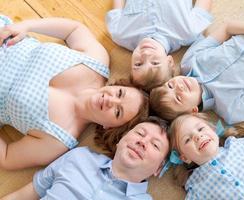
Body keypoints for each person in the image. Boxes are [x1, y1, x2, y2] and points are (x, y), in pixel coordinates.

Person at [0, 15, 149, 170]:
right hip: (4, 34)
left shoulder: (57, 140)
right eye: (120, 93)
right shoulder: (96, 61)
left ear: (110, 127)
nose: (112, 100)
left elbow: (7, 157)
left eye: (118, 112)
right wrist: (27, 25)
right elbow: (73, 30)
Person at [150, 0, 244, 124]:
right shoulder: (232, 110)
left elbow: (228, 28)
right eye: (178, 97)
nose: (179, 87)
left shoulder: (189, 61)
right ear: (192, 111)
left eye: (170, 85)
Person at [2, 117, 170, 200]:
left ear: (158, 169)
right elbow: (30, 192)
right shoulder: (79, 156)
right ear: (120, 140)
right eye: (140, 133)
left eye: (155, 145)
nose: (142, 142)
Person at [106, 0, 214, 90]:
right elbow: (203, 5)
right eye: (155, 63)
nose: (146, 54)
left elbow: (117, 6)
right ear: (169, 61)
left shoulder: (120, 34)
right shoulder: (188, 32)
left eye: (138, 64)